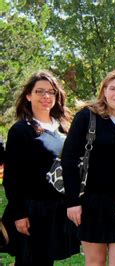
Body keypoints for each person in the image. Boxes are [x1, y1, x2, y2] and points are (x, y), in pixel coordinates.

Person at [62, 69, 115, 266]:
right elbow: (69, 158)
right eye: (112, 88)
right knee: (95, 262)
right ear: (104, 91)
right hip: (92, 202)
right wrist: (72, 201)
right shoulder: (87, 117)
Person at [3, 70, 79, 265]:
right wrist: (20, 214)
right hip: (31, 209)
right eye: (39, 91)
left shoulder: (65, 128)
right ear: (29, 95)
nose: (46, 96)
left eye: (51, 92)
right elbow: (12, 177)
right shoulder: (21, 130)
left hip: (57, 209)